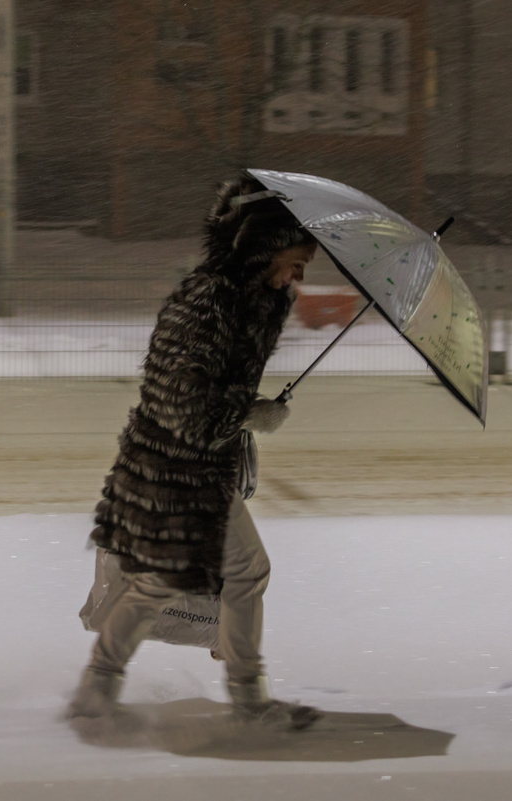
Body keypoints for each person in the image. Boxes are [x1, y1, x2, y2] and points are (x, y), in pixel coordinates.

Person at [68, 174, 320, 730]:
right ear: (265, 249)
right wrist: (248, 412)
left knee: (179, 578)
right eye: (297, 262)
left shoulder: (249, 302)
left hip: (196, 464)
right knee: (190, 576)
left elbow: (214, 387)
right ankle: (244, 702)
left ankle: (105, 690)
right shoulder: (209, 301)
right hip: (173, 466)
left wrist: (248, 406)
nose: (300, 276)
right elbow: (179, 400)